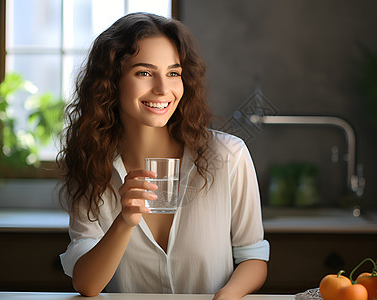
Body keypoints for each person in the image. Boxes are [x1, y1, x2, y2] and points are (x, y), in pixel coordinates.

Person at [58, 12, 269, 299]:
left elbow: (253, 258)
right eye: (144, 72)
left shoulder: (229, 155)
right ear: (111, 81)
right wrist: (124, 221)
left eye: (173, 73)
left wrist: (227, 295)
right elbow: (87, 284)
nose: (162, 89)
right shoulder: (91, 164)